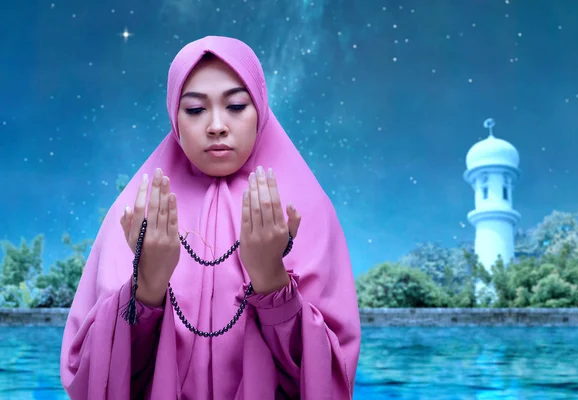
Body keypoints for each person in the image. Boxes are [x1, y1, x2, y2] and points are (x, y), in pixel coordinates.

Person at [60, 35, 361, 400]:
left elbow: (330, 377)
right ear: (174, 117)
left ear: (260, 110)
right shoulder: (139, 211)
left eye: (235, 105)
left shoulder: (304, 209)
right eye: (195, 109)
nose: (216, 125)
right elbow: (93, 377)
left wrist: (271, 281)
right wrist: (147, 288)